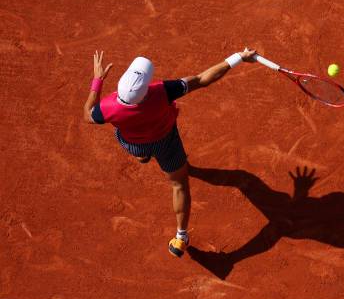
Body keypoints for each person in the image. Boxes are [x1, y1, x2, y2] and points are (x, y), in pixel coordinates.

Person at [82, 48, 257, 257]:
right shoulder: (162, 92)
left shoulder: (107, 108)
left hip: (134, 144)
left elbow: (87, 115)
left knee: (136, 146)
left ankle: (143, 156)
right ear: (145, 91)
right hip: (166, 143)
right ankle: (180, 238)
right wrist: (238, 57)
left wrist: (97, 81)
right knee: (179, 184)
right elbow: (202, 79)